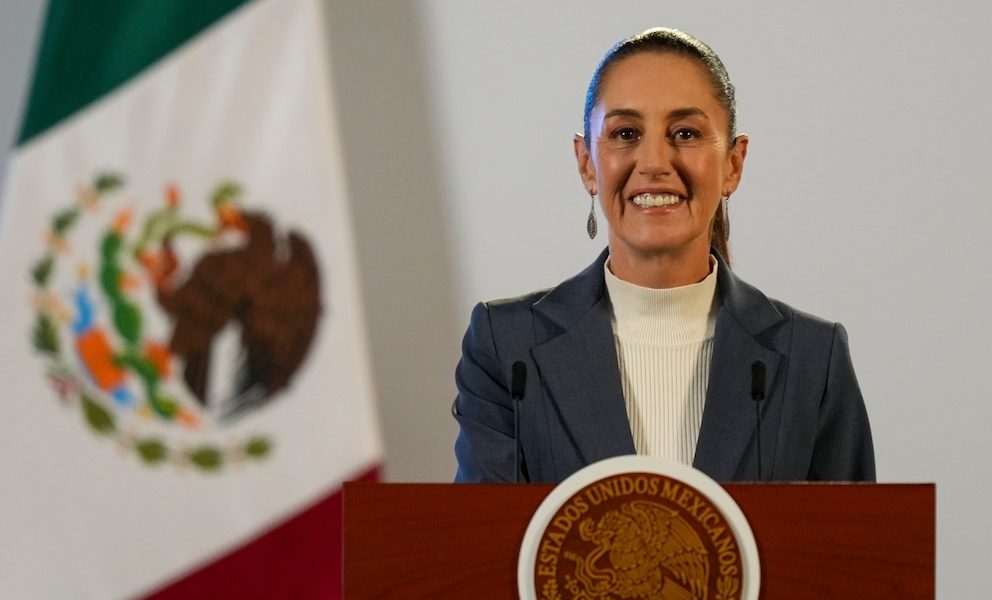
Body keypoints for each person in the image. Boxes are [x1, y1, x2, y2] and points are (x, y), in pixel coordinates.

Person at [452, 28, 874, 484]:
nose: (654, 161)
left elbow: (850, 551)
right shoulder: (507, 349)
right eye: (626, 133)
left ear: (733, 163)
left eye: (686, 133)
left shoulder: (812, 358)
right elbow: (485, 549)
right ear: (587, 163)